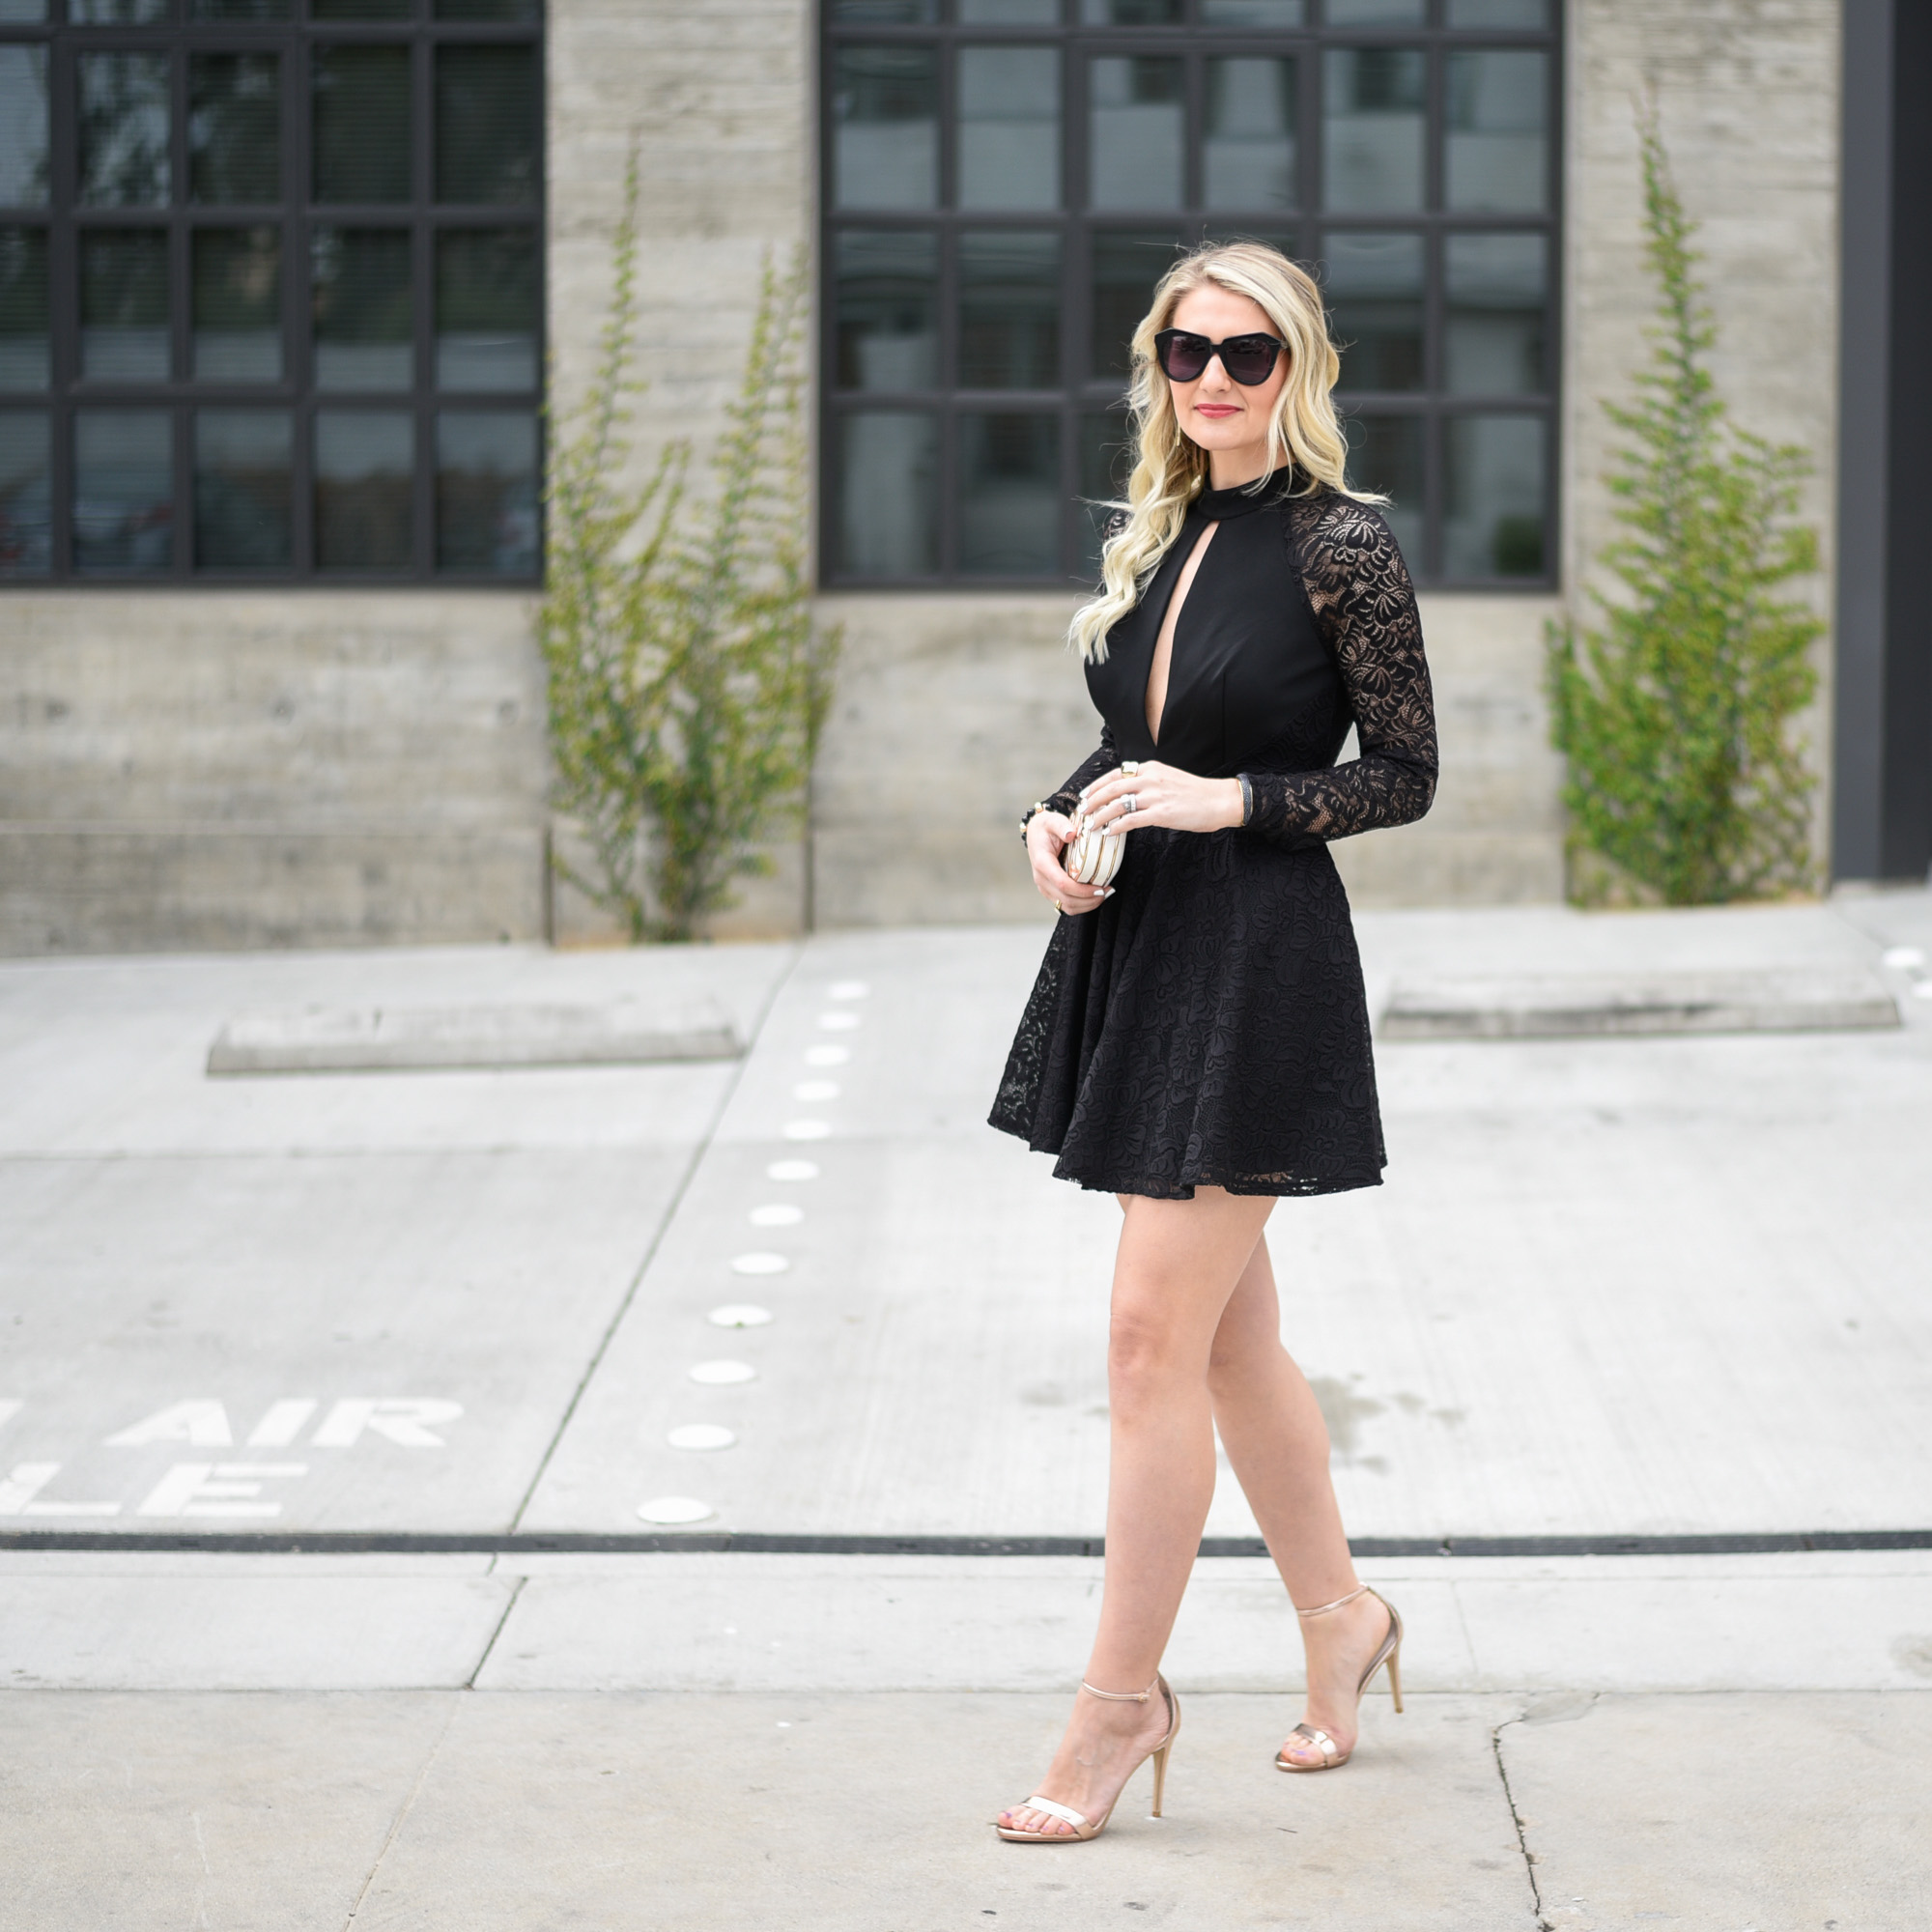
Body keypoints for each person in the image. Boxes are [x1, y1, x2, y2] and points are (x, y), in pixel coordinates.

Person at [986, 241, 1437, 1843]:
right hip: (1141, 940)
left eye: (1251, 356)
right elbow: (1133, 740)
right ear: (1159, 366)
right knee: (1225, 1338)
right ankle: (1342, 1621)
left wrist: (1232, 799)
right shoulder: (1163, 528)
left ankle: (1121, 1706)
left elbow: (1402, 774)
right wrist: (1056, 815)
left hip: (1258, 958)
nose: (1218, 383)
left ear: (1298, 370)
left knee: (1142, 1343)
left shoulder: (1345, 547)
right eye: (1191, 353)